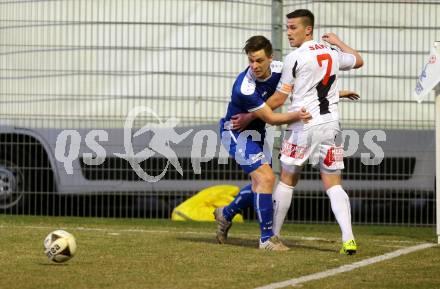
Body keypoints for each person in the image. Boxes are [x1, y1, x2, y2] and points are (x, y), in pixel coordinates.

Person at [224, 9, 363, 255]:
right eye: (287, 27)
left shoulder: (294, 58)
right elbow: (358, 60)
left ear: (308, 29)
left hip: (302, 125)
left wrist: (250, 115)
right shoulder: (330, 51)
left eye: (293, 28)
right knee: (333, 183)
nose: (288, 33)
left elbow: (278, 99)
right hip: (331, 124)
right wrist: (337, 41)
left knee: (285, 180)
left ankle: (271, 236)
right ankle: (348, 239)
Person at [216, 35, 312, 251]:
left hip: (256, 132)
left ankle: (226, 214)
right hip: (235, 132)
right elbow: (271, 118)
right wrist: (299, 115)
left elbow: (302, 88)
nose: (254, 66)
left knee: (263, 183)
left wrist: (334, 94)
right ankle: (267, 239)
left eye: (259, 60)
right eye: (251, 60)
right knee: (266, 178)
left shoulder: (282, 68)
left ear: (271, 57)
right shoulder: (244, 86)